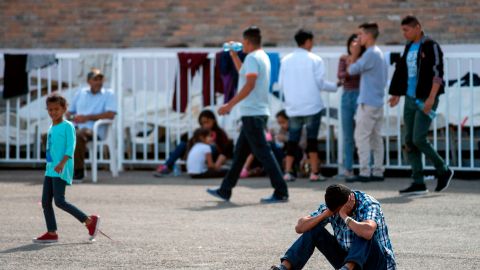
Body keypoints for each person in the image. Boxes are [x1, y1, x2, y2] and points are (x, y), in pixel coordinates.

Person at [207, 26, 289, 203]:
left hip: (252, 114)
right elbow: (244, 74)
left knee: (264, 153)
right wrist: (234, 55)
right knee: (239, 155)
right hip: (255, 113)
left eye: (243, 42)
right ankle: (225, 189)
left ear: (248, 42)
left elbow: (249, 84)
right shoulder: (261, 56)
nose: (241, 45)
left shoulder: (253, 57)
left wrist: (229, 104)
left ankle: (281, 191)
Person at [388, 15, 454, 194]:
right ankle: (418, 182)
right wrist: (396, 94)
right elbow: (402, 70)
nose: (404, 34)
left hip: (426, 98)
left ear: (417, 27)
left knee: (418, 138)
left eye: (406, 30)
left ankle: (444, 170)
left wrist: (431, 98)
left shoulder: (431, 45)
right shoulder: (409, 46)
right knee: (409, 140)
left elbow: (437, 73)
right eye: (402, 30)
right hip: (410, 99)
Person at [270, 184, 396, 270]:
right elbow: (299, 227)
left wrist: (345, 216)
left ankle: (348, 268)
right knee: (313, 229)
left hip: (378, 263)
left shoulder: (368, 203)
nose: (335, 214)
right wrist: (325, 214)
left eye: (337, 211)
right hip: (347, 258)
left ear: (348, 202)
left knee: (361, 232)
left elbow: (368, 231)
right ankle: (285, 267)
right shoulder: (332, 207)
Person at [33, 94, 100, 243]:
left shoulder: (68, 126)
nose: (53, 112)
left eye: (56, 109)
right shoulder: (51, 127)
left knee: (60, 201)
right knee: (45, 202)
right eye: (50, 109)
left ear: (64, 109)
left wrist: (62, 163)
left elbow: (71, 147)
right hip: (50, 169)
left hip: (61, 168)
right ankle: (51, 233)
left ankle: (89, 222)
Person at [279, 29, 338, 182]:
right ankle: (314, 173)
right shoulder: (315, 59)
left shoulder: (285, 60)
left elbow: (281, 83)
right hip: (312, 105)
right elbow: (320, 83)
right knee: (312, 140)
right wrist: (335, 86)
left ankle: (288, 172)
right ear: (307, 41)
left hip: (293, 106)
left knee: (292, 140)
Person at [347, 22, 388, 182]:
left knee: (361, 136)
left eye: (361, 34)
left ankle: (365, 171)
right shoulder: (379, 53)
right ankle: (378, 171)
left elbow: (351, 70)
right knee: (376, 137)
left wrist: (355, 53)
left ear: (369, 35)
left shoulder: (370, 53)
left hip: (368, 102)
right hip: (377, 100)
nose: (359, 38)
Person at [66, 68, 117, 181]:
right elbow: (69, 112)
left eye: (100, 79)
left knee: (77, 135)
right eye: (95, 79)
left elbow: (110, 114)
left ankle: (78, 171)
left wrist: (87, 117)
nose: (98, 82)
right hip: (77, 126)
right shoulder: (80, 93)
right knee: (51, 134)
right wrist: (74, 117)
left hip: (94, 130)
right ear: (88, 81)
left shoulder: (108, 94)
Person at [155, 109, 232, 177]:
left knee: (210, 147)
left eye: (207, 122)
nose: (205, 125)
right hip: (200, 156)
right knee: (182, 144)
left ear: (213, 120)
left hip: (213, 157)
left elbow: (225, 148)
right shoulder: (199, 132)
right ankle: (167, 165)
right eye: (203, 123)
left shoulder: (220, 133)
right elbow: (192, 144)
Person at [337, 34, 365, 181]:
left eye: (357, 45)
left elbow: (361, 75)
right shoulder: (343, 58)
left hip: (361, 95)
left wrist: (354, 61)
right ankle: (348, 168)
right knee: (348, 135)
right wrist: (352, 60)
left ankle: (366, 167)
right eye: (352, 45)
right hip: (347, 96)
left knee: (363, 134)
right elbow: (342, 75)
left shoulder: (365, 59)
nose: (354, 47)